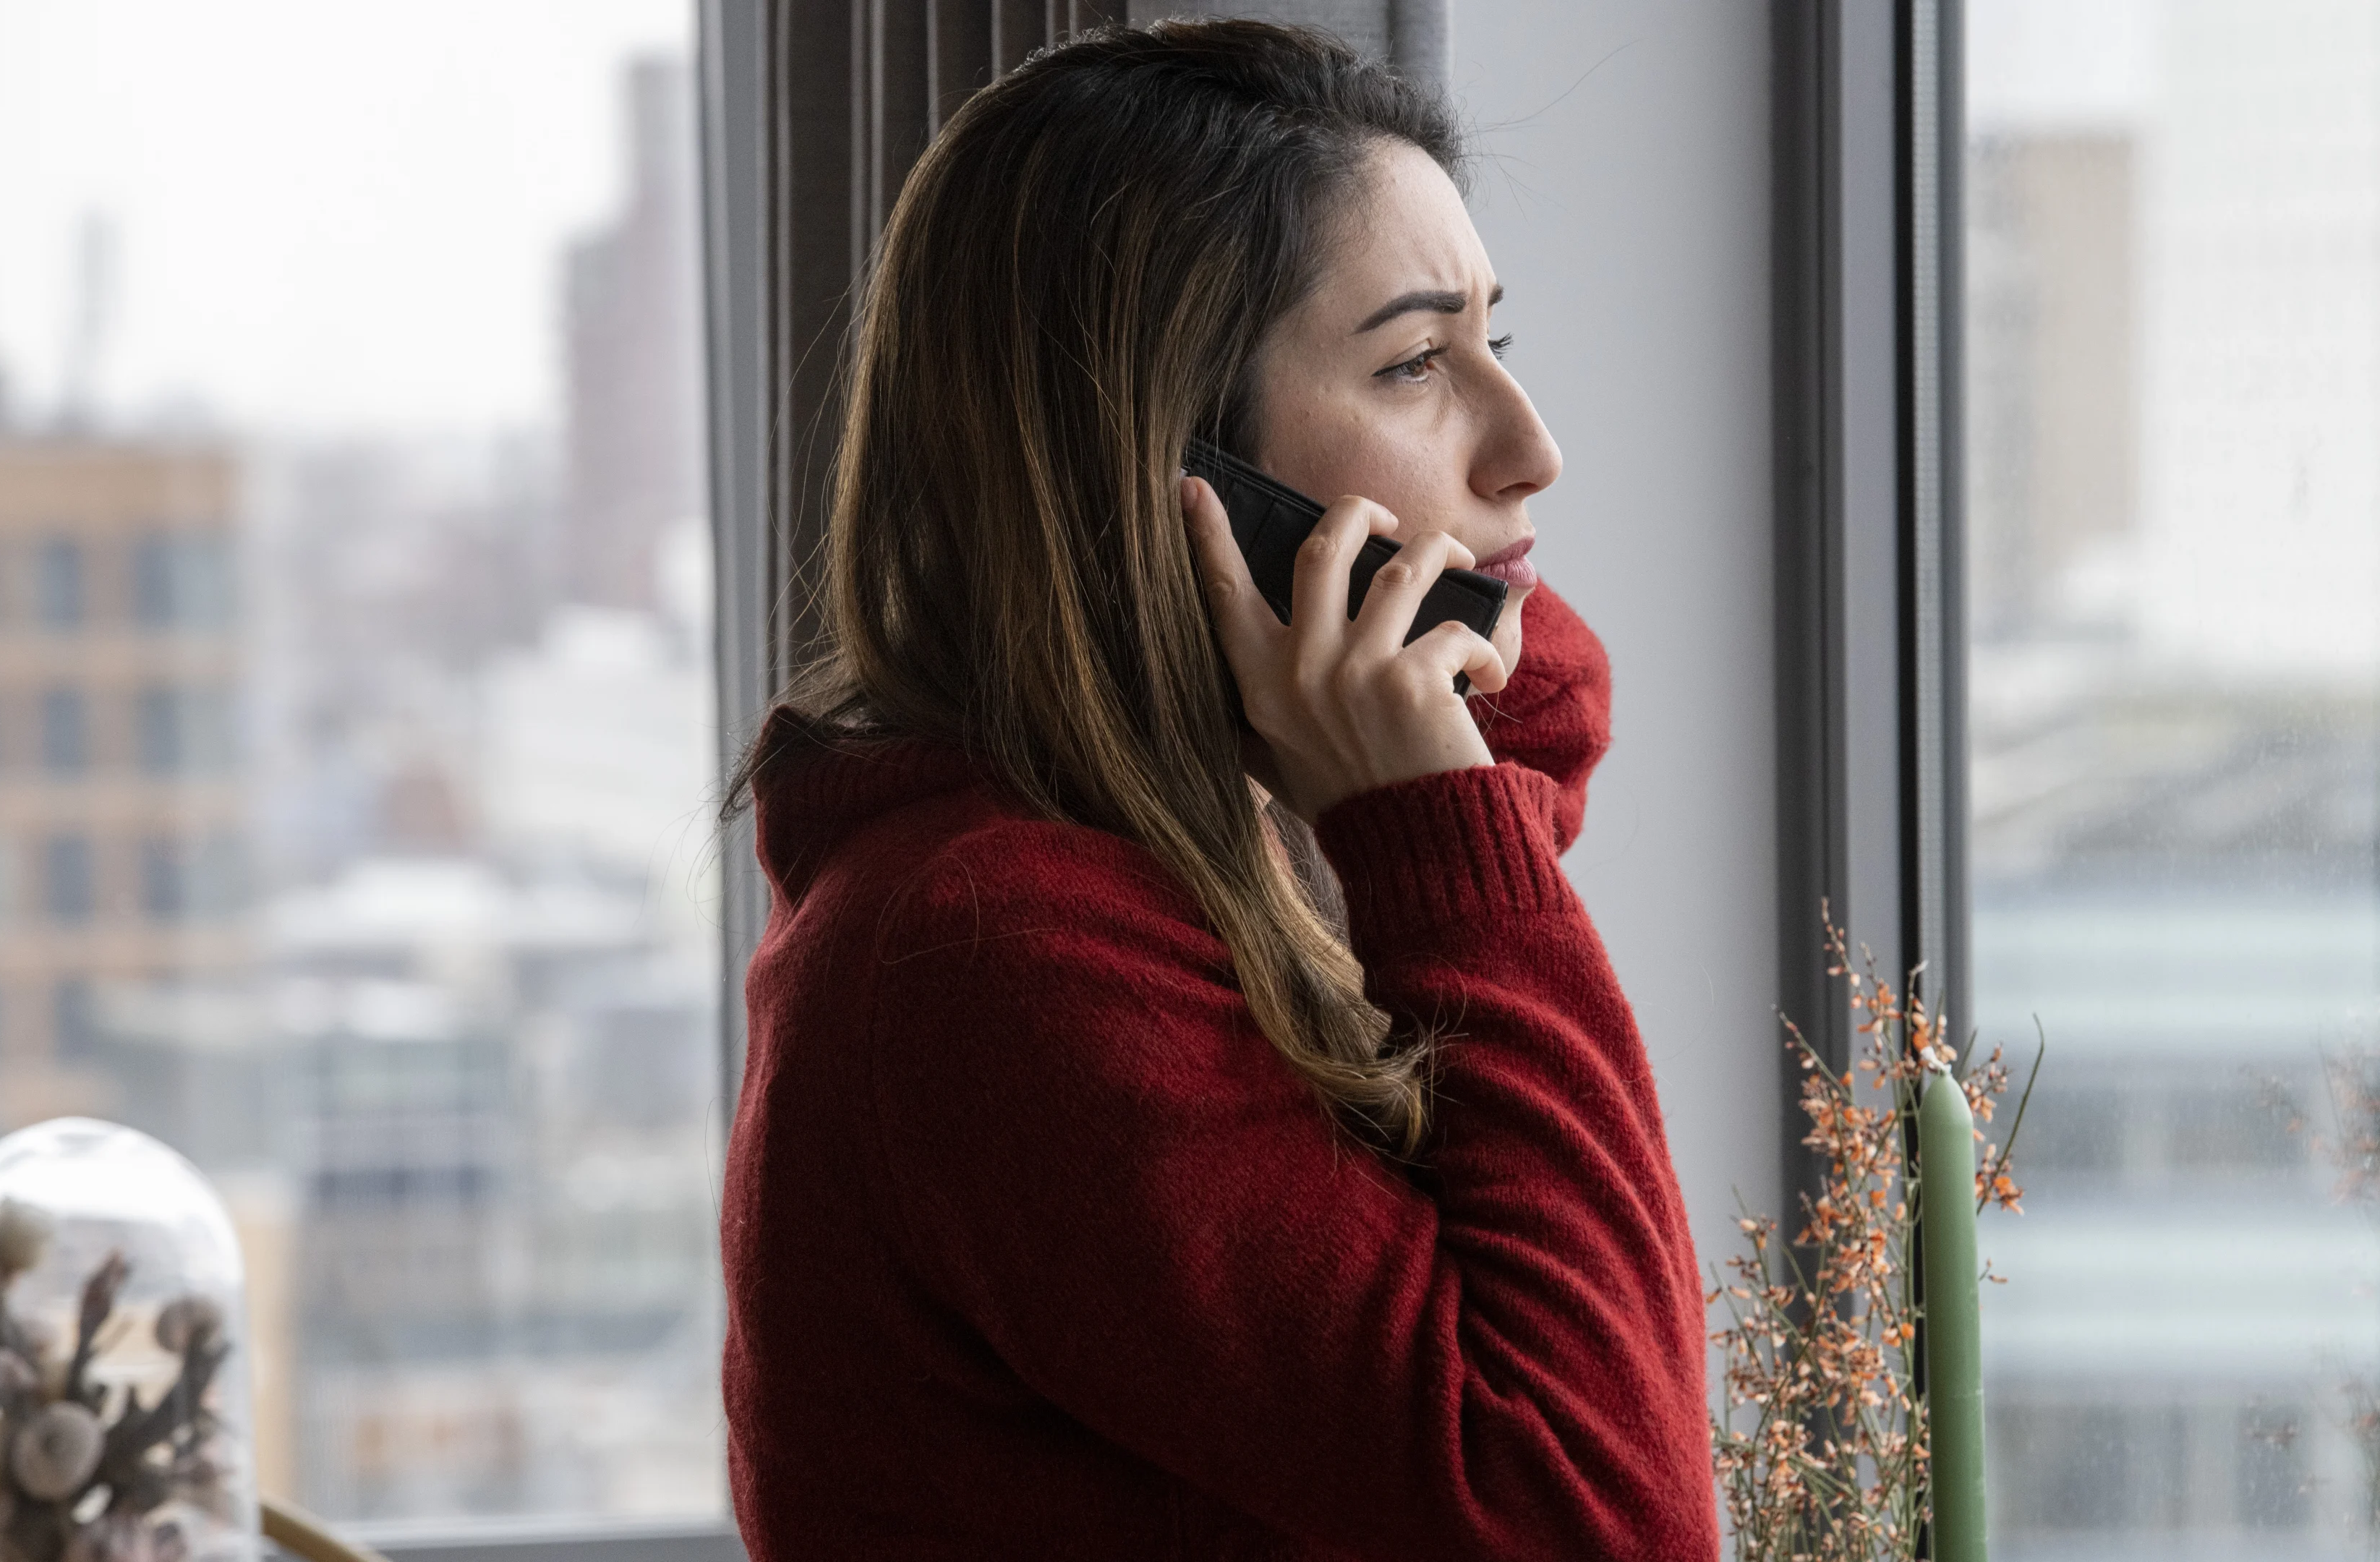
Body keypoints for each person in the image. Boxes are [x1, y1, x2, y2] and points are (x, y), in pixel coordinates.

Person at [720, 19, 1715, 1558]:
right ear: (1164, 471)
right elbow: (1600, 1520)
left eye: (1493, 346)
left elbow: (1543, 696)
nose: (1533, 452)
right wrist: (1440, 833)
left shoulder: (1205, 835)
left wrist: (1428, 733)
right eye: (1410, 365)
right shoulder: (993, 952)